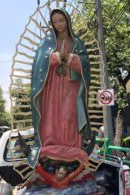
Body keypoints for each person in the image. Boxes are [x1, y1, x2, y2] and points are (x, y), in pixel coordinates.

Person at [29, 9, 92, 184]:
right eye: (55, 21)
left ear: (67, 20)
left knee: (70, 116)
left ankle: (72, 147)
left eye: (61, 20)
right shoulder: (46, 43)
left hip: (71, 88)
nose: (58, 24)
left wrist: (73, 58)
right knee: (50, 116)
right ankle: (50, 146)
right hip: (51, 88)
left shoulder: (77, 42)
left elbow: (86, 67)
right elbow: (38, 65)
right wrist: (54, 57)